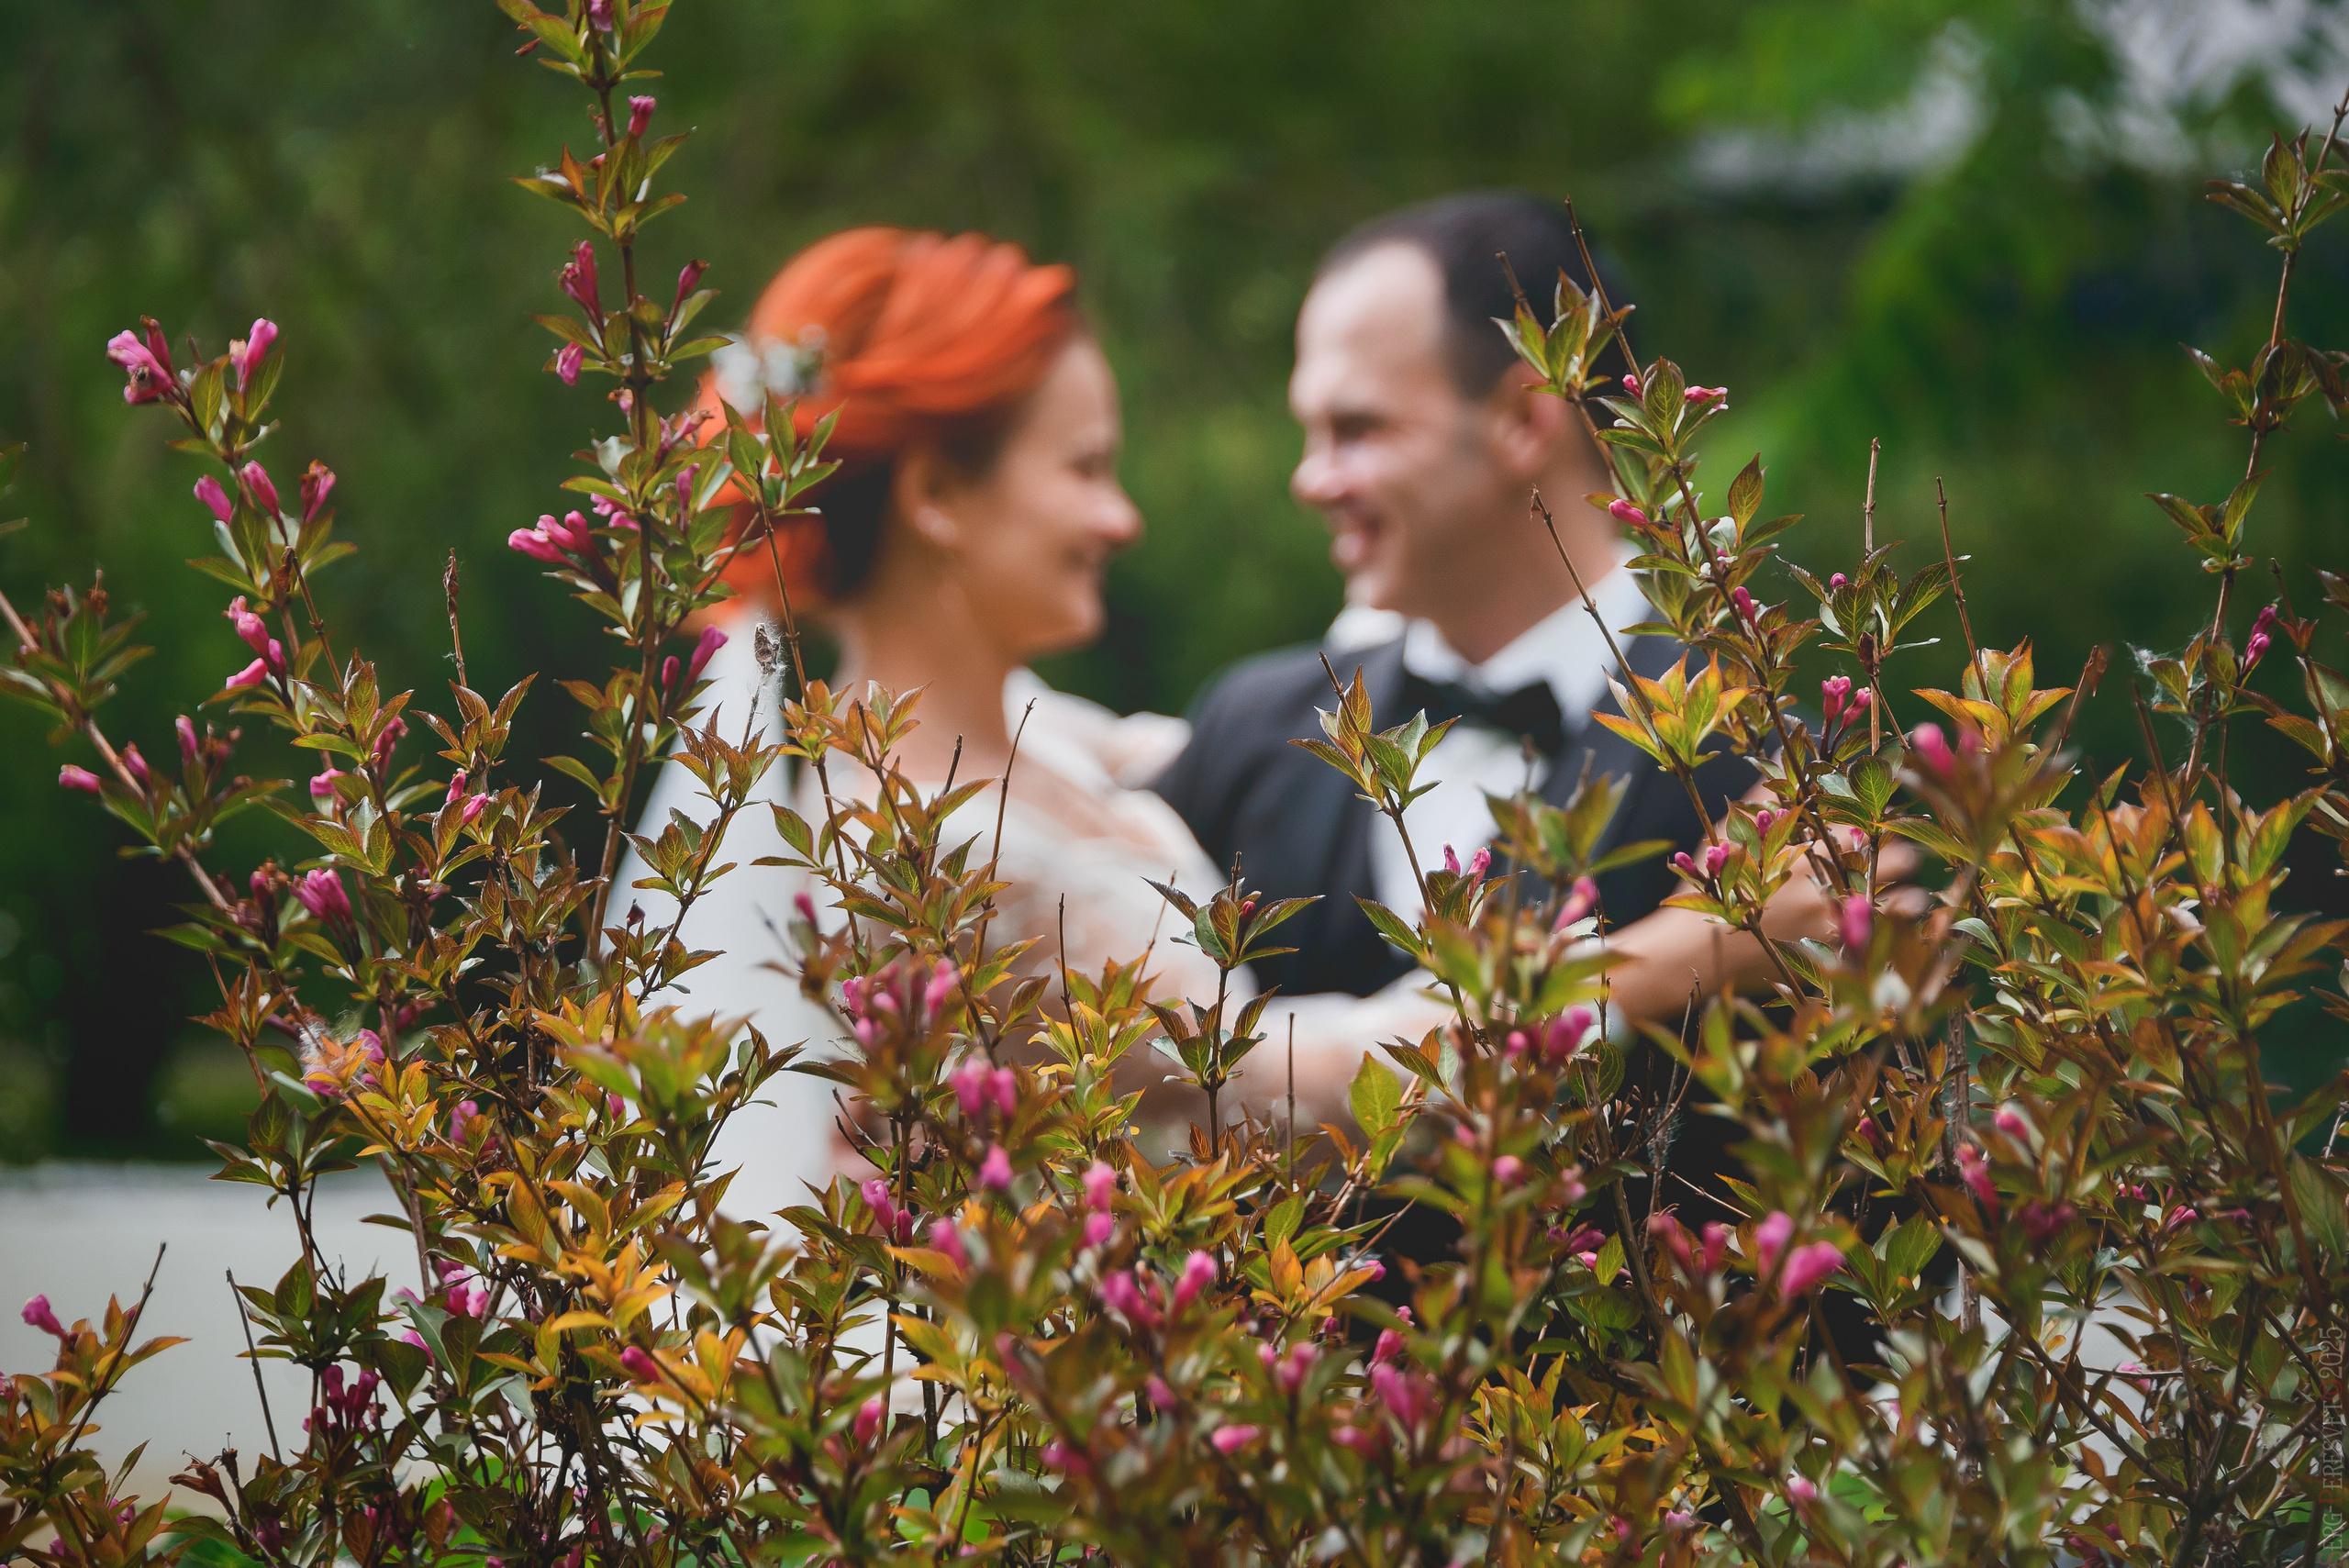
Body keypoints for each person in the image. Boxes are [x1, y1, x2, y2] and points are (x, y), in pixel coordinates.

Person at [1153, 191, 1831, 1014]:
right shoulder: (1247, 735)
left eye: (1357, 428)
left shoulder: (1761, 764)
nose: (1310, 480)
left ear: (1521, 419)